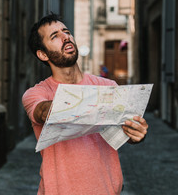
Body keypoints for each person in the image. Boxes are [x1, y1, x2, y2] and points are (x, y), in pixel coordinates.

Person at [22, 13, 149, 195]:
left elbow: (126, 133)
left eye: (66, 32)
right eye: (54, 36)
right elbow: (42, 112)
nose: (65, 37)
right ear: (43, 54)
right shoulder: (37, 93)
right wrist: (96, 103)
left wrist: (136, 133)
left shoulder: (107, 86)